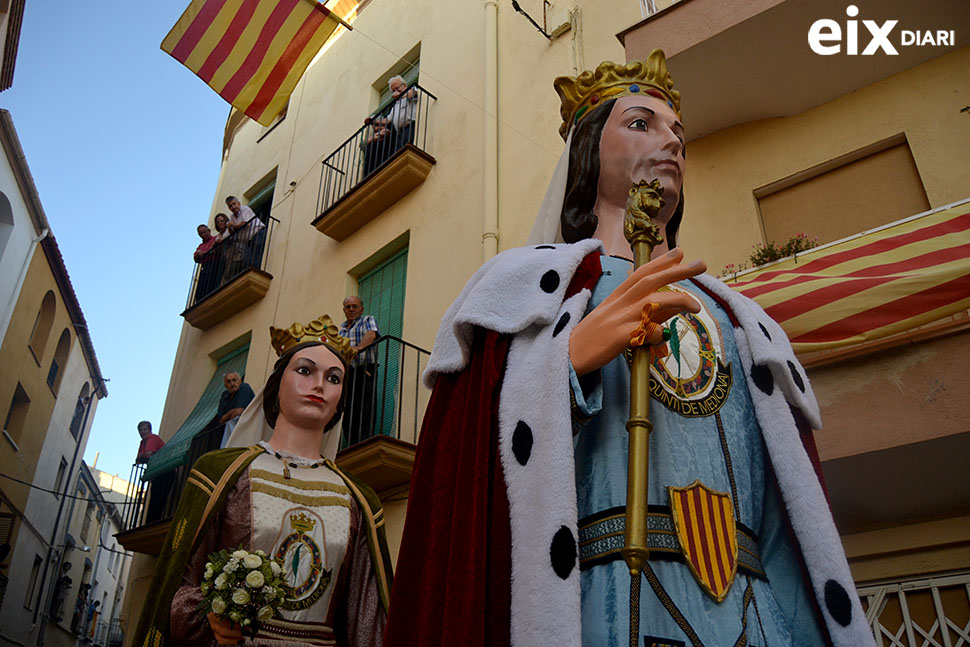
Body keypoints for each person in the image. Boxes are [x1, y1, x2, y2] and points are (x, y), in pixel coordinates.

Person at [383, 51, 873, 647]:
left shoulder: (741, 319)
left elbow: (783, 511)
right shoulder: (528, 289)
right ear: (587, 152)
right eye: (641, 124)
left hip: (753, 609)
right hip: (603, 601)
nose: (670, 142)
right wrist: (562, 363)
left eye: (679, 134)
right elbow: (465, 469)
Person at [133, 315, 393, 647]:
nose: (319, 385)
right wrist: (211, 613)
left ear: (341, 398)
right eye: (304, 371)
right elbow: (177, 585)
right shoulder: (223, 473)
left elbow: (366, 619)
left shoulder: (358, 499)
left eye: (333, 378)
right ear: (277, 383)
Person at [338, 297, 380, 446]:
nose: (351, 309)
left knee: (365, 406)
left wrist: (359, 348)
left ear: (361, 309)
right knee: (348, 409)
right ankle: (351, 442)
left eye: (354, 306)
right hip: (347, 373)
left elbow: (371, 334)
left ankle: (364, 442)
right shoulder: (340, 330)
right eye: (348, 307)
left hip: (365, 369)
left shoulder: (367, 320)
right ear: (344, 310)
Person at [226, 195, 267, 272]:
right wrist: (229, 227)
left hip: (258, 234)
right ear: (229, 208)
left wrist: (233, 225)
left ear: (238, 203)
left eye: (234, 204)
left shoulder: (245, 209)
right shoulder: (232, 217)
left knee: (255, 259)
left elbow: (246, 224)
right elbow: (233, 233)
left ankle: (256, 274)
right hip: (248, 242)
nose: (233, 207)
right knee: (248, 262)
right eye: (230, 206)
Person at [217, 371, 255, 447]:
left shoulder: (244, 387)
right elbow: (220, 420)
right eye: (229, 381)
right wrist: (231, 412)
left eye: (234, 380)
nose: (232, 384)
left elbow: (238, 413)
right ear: (225, 385)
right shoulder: (225, 395)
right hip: (228, 435)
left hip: (246, 432)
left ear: (240, 381)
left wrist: (228, 415)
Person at [386, 75, 418, 152]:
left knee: (408, 150)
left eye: (397, 88)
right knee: (399, 153)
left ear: (404, 85)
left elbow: (412, 93)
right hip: (400, 134)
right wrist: (373, 121)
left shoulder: (411, 90)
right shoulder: (396, 105)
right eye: (393, 90)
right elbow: (387, 120)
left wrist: (401, 95)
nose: (396, 91)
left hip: (410, 128)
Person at [192, 224, 221, 302]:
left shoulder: (216, 238)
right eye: (201, 234)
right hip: (206, 267)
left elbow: (219, 246)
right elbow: (195, 258)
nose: (203, 235)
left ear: (209, 231)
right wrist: (198, 254)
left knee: (211, 284)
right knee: (201, 287)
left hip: (215, 264)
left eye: (204, 232)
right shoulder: (200, 246)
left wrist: (207, 252)